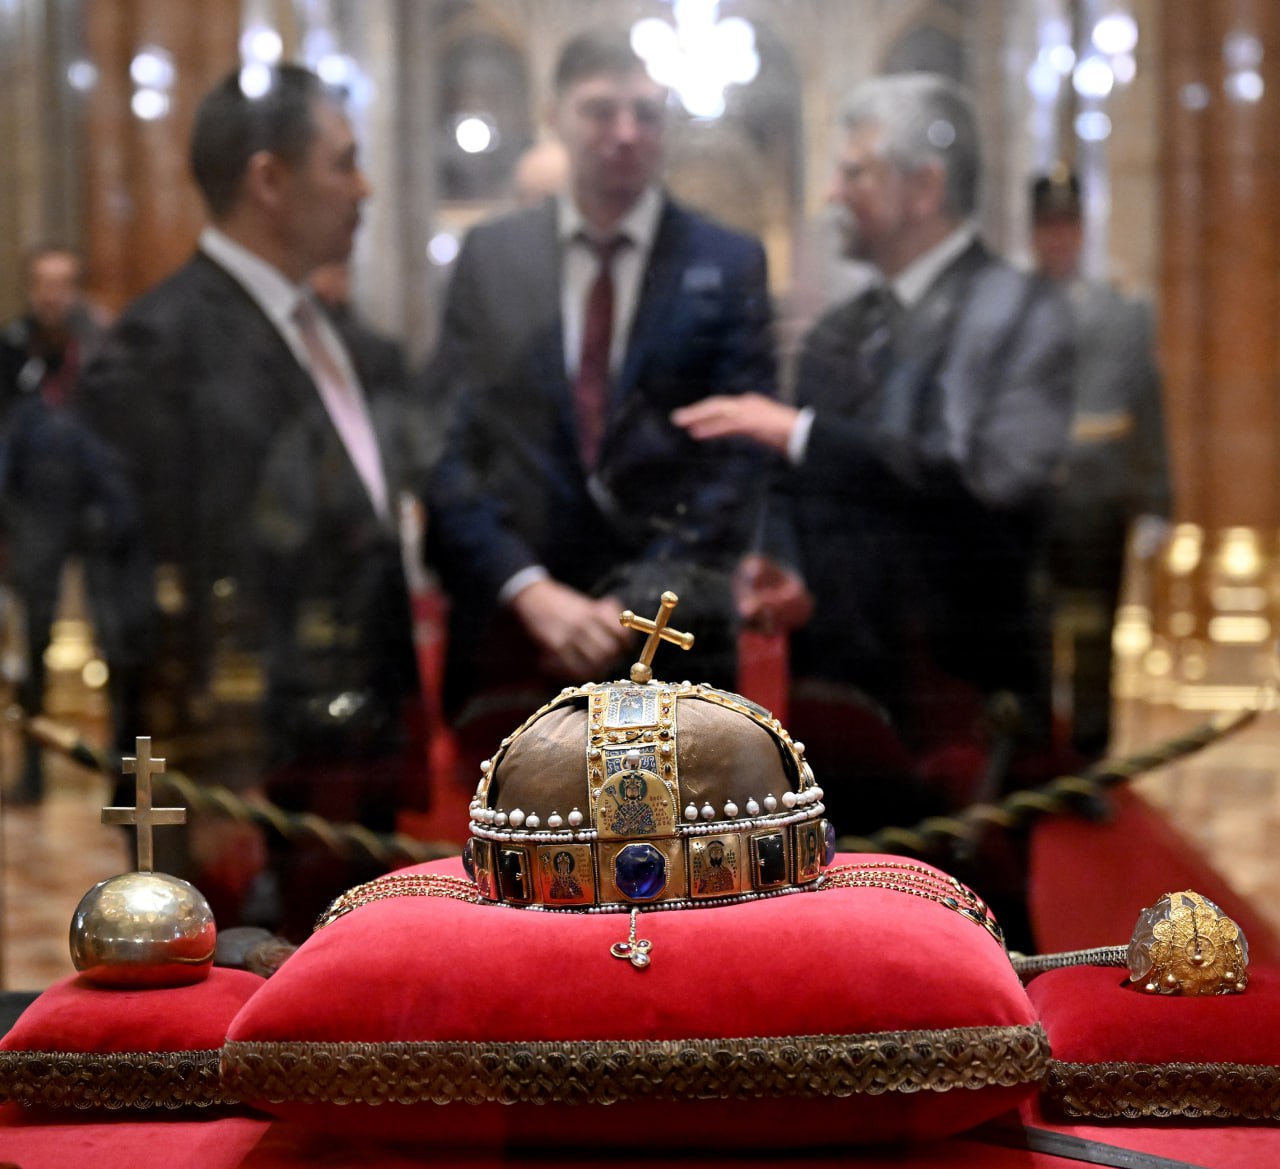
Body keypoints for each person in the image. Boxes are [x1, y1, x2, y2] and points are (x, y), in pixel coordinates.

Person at [673, 73, 1075, 832]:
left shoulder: (1024, 310)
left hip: (960, 696)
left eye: (854, 172)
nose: (833, 194)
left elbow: (987, 481)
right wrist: (781, 561)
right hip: (840, 699)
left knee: (963, 901)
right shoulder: (841, 329)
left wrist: (801, 431)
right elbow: (794, 485)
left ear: (923, 187)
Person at [78, 64, 426, 936]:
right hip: (249, 785)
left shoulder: (323, 331)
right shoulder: (162, 347)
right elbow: (157, 592)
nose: (364, 188)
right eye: (343, 163)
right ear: (269, 180)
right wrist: (211, 783)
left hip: (343, 759)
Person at [423, 28, 777, 769]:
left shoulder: (728, 261)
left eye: (645, 113)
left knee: (670, 842)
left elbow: (738, 463)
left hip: (670, 644)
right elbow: (449, 448)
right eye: (600, 110)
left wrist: (633, 608)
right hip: (517, 635)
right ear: (554, 114)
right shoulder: (492, 257)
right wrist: (530, 590)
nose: (625, 133)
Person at [1030, 167, 1172, 759]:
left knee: (1093, 636)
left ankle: (1089, 760)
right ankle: (1034, 757)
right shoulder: (1005, 309)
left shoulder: (1123, 310)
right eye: (1048, 227)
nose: (1059, 238)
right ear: (1035, 233)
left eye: (1068, 225)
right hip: (1028, 502)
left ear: (1082, 230)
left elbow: (1147, 404)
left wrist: (1157, 501)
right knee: (1031, 637)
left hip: (1099, 499)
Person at [0, 246, 147, 803]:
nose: (52, 294)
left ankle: (125, 778)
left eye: (62, 283)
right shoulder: (11, 350)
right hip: (35, 513)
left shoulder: (105, 349)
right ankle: (32, 770)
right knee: (33, 643)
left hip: (99, 512)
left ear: (77, 288)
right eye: (43, 282)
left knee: (117, 641)